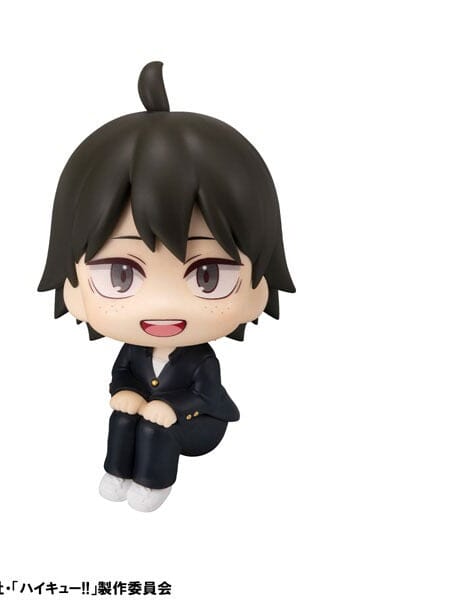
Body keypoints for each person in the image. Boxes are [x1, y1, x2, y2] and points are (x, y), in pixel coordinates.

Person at [38, 61, 295, 511]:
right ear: (71, 285)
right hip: (147, 414)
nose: (161, 303)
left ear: (260, 284)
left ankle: (153, 484)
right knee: (123, 417)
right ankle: (117, 472)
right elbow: (122, 375)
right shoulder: (134, 351)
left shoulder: (200, 360)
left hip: (197, 425)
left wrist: (172, 408)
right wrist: (124, 393)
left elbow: (204, 394)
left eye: (208, 274)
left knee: (156, 427)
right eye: (120, 274)